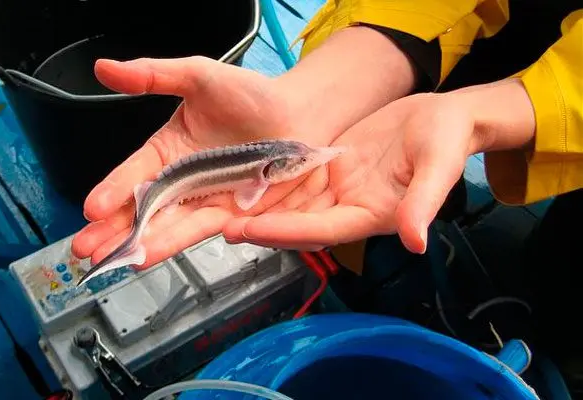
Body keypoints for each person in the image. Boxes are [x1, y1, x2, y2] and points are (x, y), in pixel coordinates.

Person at [71, 0, 581, 392]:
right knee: (394, 168)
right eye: (297, 161)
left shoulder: (272, 168)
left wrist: (508, 111)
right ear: (272, 167)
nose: (313, 158)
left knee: (565, 283)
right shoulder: (262, 170)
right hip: (483, 29)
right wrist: (348, 74)